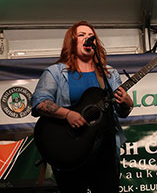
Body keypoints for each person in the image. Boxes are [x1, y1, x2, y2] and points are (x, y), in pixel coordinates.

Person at [31, 21, 133, 193]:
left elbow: (120, 112)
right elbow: (39, 103)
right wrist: (67, 114)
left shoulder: (109, 74)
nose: (88, 38)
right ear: (72, 42)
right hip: (71, 150)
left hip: (105, 153)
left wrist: (127, 103)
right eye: (81, 35)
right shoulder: (56, 72)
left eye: (91, 36)